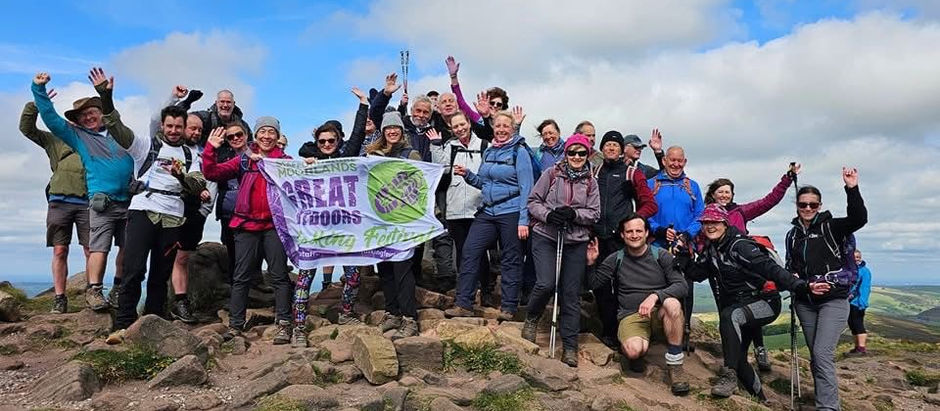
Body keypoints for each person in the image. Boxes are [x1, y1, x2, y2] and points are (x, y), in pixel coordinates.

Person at [87, 68, 206, 339]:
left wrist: (181, 176)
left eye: (179, 127)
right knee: (133, 269)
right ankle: (123, 325)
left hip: (173, 218)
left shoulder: (191, 156)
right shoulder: (144, 146)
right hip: (142, 212)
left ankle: (153, 320)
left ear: (184, 128)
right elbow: (116, 127)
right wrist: (105, 97)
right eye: (170, 126)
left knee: (160, 273)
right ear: (162, 126)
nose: (174, 131)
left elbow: (198, 186)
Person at [678, 204, 822, 401]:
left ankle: (728, 377)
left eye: (715, 222)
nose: (710, 226)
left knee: (729, 316)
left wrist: (799, 286)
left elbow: (770, 268)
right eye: (706, 222)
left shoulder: (740, 246)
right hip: (740, 307)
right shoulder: (712, 250)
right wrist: (684, 256)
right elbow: (696, 274)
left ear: (725, 223)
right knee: (738, 357)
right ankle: (761, 400)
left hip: (765, 302)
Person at [31, 71, 131, 312]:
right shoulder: (79, 137)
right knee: (98, 247)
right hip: (102, 203)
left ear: (101, 113)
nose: (88, 117)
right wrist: (38, 89)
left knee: (127, 249)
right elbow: (50, 118)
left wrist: (106, 95)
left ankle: (117, 289)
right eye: (82, 115)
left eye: (92, 112)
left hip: (129, 200)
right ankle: (95, 290)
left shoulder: (119, 134)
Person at [290, 87, 370, 348]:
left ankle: (346, 314)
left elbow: (358, 134)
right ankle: (298, 327)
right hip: (316, 229)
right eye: (322, 141)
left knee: (353, 274)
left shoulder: (347, 159)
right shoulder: (308, 164)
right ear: (317, 142)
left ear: (338, 142)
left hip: (344, 228)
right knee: (305, 277)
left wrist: (363, 104)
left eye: (331, 141)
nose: (326, 145)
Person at [202, 117, 293, 344]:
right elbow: (212, 173)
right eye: (262, 131)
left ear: (277, 136)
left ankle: (284, 323)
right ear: (255, 134)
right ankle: (235, 326)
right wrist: (210, 149)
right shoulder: (244, 160)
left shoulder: (285, 162)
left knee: (279, 275)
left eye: (271, 132)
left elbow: (305, 181)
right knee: (241, 277)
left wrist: (310, 164)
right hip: (245, 225)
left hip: (274, 226)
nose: (267, 136)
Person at [702, 163, 800, 370]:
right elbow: (697, 235)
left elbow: (768, 201)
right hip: (716, 265)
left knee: (748, 304)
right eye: (720, 191)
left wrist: (787, 179)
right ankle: (737, 357)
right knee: (727, 312)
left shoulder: (740, 211)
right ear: (712, 194)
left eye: (728, 192)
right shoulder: (705, 216)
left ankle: (758, 349)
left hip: (743, 266)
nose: (725, 195)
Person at [785, 167, 867, 411]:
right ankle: (825, 400)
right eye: (803, 205)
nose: (808, 209)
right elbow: (792, 266)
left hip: (834, 300)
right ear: (797, 206)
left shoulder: (832, 227)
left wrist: (852, 188)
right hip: (805, 302)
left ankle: (828, 407)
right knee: (816, 356)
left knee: (821, 354)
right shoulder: (792, 235)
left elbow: (859, 219)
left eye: (813, 205)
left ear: (820, 206)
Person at [444, 110, 534, 321]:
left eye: (505, 126)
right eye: (498, 126)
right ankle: (464, 303)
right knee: (469, 251)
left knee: (510, 258)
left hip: (511, 210)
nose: (501, 129)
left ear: (512, 129)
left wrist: (523, 220)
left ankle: (509, 307)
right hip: (487, 210)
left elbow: (526, 188)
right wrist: (468, 175)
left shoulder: (519, 152)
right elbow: (484, 183)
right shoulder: (490, 151)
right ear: (493, 128)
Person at [585, 214, 690, 395]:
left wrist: (655, 296)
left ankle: (675, 365)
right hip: (631, 315)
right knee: (633, 352)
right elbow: (593, 284)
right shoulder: (615, 258)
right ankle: (639, 351)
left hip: (659, 314)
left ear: (646, 233)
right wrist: (590, 263)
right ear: (623, 235)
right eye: (629, 231)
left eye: (638, 231)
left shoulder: (661, 255)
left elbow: (682, 285)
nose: (634, 235)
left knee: (672, 303)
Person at [521, 134, 600, 367]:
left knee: (571, 293)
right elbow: (533, 201)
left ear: (587, 155)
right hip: (546, 235)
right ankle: (532, 317)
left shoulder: (591, 182)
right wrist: (549, 215)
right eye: (572, 152)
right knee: (545, 283)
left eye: (581, 153)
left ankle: (570, 346)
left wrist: (575, 215)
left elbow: (595, 213)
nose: (576, 157)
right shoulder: (551, 174)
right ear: (565, 153)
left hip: (576, 240)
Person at [19, 94, 90, 314]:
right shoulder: (55, 140)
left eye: (86, 116)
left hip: (89, 202)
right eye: (78, 116)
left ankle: (92, 292)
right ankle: (60, 298)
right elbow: (27, 128)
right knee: (60, 250)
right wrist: (37, 103)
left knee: (92, 250)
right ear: (72, 120)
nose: (82, 120)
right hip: (60, 200)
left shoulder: (97, 141)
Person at [591, 130, 658, 347]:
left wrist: (634, 220)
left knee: (622, 286)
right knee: (600, 287)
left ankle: (628, 333)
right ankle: (609, 333)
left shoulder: (632, 173)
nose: (611, 148)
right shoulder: (595, 171)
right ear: (602, 149)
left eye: (615, 145)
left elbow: (650, 204)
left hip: (621, 240)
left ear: (621, 150)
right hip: (597, 238)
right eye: (607, 145)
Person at [364, 111, 424, 340]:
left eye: (396, 128)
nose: (392, 131)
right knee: (385, 270)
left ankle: (410, 319)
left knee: (403, 270)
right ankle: (392, 313)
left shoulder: (412, 154)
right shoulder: (372, 155)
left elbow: (420, 184)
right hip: (380, 222)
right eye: (388, 128)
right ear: (383, 131)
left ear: (401, 130)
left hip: (404, 223)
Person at [647, 145, 704, 350]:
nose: (676, 164)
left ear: (685, 162)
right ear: (664, 161)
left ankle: (684, 333)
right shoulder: (651, 184)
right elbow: (645, 214)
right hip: (657, 245)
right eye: (672, 159)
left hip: (684, 247)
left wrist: (687, 235)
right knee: (658, 287)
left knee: (685, 289)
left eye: (680, 160)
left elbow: (700, 216)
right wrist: (660, 230)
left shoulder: (693, 186)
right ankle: (657, 332)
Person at [428, 112, 488, 295]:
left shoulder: (485, 146)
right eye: (455, 126)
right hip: (455, 207)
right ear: (451, 129)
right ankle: (465, 291)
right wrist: (436, 146)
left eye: (462, 124)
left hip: (478, 206)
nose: (460, 129)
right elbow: (442, 169)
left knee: (479, 250)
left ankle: (485, 287)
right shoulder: (450, 146)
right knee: (462, 249)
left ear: (469, 123)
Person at [848, 249, 872, 356]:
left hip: (858, 302)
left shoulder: (864, 271)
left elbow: (865, 288)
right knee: (852, 324)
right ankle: (857, 347)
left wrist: (862, 302)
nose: (856, 259)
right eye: (854, 257)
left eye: (858, 257)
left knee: (858, 324)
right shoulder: (849, 270)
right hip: (849, 302)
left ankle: (861, 348)